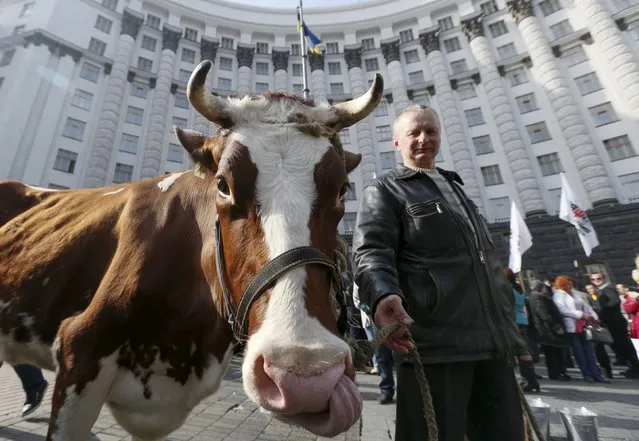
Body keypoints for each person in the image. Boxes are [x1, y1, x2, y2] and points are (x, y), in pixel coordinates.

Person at [353, 105, 527, 441]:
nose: (423, 139)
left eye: (430, 131)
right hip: (435, 345)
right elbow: (370, 250)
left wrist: (511, 334)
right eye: (414, 133)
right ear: (396, 142)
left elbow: (484, 262)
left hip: (493, 345)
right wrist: (382, 294)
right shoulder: (386, 189)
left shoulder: (457, 189)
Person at [553, 276, 608, 383]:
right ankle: (586, 374)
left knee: (589, 351)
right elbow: (562, 310)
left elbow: (586, 306)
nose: (570, 285)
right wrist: (581, 315)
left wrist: (593, 315)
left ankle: (597, 374)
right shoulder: (559, 295)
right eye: (568, 284)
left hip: (584, 325)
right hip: (572, 326)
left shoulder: (575, 293)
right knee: (579, 352)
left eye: (571, 283)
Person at [590, 272, 639, 378]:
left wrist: (601, 309)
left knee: (624, 345)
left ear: (603, 278)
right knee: (619, 345)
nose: (596, 281)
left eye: (598, 278)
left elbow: (614, 301)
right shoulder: (600, 290)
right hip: (610, 322)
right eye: (593, 279)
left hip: (615, 322)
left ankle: (635, 367)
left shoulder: (608, 288)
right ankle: (632, 366)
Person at [504, 268, 540, 392]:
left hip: (513, 322)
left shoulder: (507, 289)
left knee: (514, 352)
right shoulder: (518, 288)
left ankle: (526, 381)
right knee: (524, 352)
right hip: (522, 321)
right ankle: (531, 380)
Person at [529, 282, 571, 381]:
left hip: (548, 329)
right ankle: (556, 373)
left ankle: (558, 372)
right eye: (545, 288)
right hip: (548, 330)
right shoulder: (537, 298)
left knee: (555, 352)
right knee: (553, 353)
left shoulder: (538, 297)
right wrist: (556, 326)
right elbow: (543, 313)